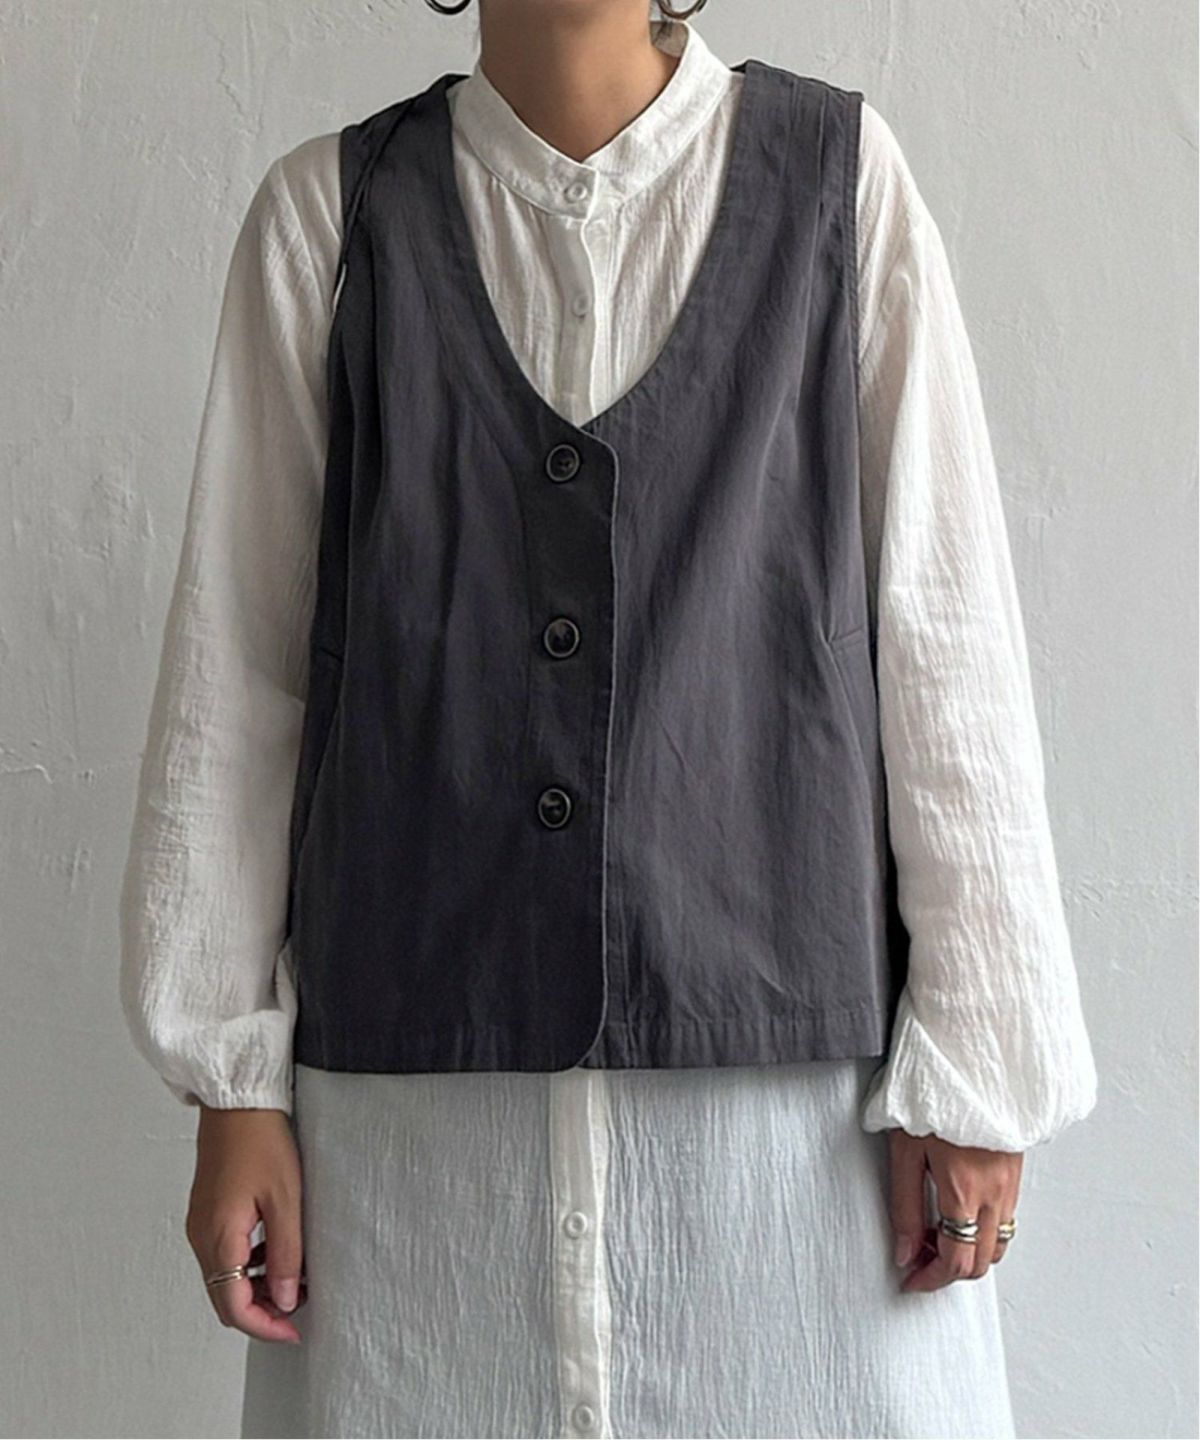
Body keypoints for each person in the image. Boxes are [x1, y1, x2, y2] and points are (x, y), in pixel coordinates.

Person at [118, 2, 1099, 1436]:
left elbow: (944, 637)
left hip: (789, 1161)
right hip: (415, 1160)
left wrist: (981, 1069)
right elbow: (240, 677)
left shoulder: (841, 185)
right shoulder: (328, 221)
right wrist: (231, 1082)